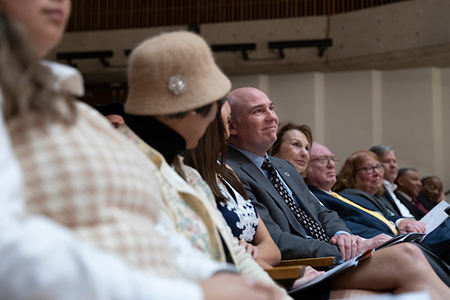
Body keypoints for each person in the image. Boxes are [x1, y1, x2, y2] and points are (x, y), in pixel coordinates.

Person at [1, 1, 280, 299]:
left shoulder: (70, 110)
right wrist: (197, 290)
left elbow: (154, 234)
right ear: (194, 110)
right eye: (219, 115)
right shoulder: (118, 144)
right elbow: (14, 246)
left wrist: (225, 278)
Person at [224, 87, 450, 299]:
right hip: (305, 266)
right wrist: (345, 249)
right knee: (406, 257)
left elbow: (324, 213)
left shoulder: (283, 167)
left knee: (410, 258)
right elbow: (277, 240)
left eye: (271, 108)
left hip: (332, 257)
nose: (272, 116)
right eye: (258, 111)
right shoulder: (229, 170)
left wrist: (343, 234)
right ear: (232, 126)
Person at [120, 31, 285, 298]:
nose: (220, 123)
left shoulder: (190, 175)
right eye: (220, 110)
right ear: (198, 107)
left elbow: (230, 251)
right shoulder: (128, 167)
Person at [333, 151, 450, 265]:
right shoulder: (350, 197)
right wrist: (400, 224)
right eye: (369, 168)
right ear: (351, 174)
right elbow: (378, 222)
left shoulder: (378, 196)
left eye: (379, 167)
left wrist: (401, 221)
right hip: (396, 243)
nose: (377, 173)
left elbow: (389, 217)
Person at [369, 145, 416, 218]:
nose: (393, 165)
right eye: (386, 161)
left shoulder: (392, 189)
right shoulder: (374, 190)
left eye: (394, 161)